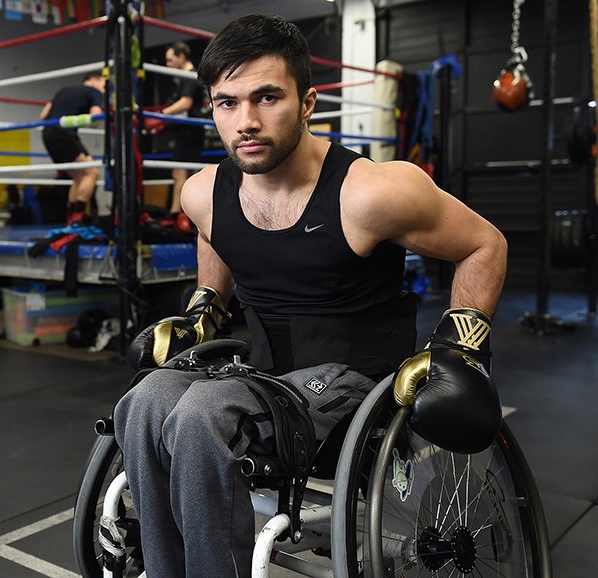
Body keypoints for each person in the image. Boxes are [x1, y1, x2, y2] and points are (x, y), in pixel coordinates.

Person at [115, 14, 507, 578]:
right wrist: (205, 308)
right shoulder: (203, 193)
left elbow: (483, 244)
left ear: (307, 102)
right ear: (211, 107)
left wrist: (460, 348)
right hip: (264, 374)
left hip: (354, 379)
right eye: (227, 103)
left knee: (202, 413)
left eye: (267, 97)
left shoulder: (371, 192)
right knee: (146, 399)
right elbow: (216, 236)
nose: (245, 122)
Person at [39, 71, 105, 225]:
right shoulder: (94, 91)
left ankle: (71, 220)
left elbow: (43, 116)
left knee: (79, 177)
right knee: (92, 174)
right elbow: (95, 120)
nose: (105, 88)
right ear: (94, 80)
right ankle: (78, 217)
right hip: (64, 134)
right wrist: (103, 113)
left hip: (48, 134)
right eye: (103, 83)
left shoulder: (63, 90)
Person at [159, 41, 206, 224]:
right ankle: (182, 214)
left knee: (181, 174)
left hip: (189, 131)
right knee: (186, 174)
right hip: (187, 131)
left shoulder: (189, 76)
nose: (167, 65)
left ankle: (175, 213)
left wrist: (161, 115)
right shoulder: (182, 77)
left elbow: (185, 103)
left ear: (181, 57)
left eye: (170, 60)